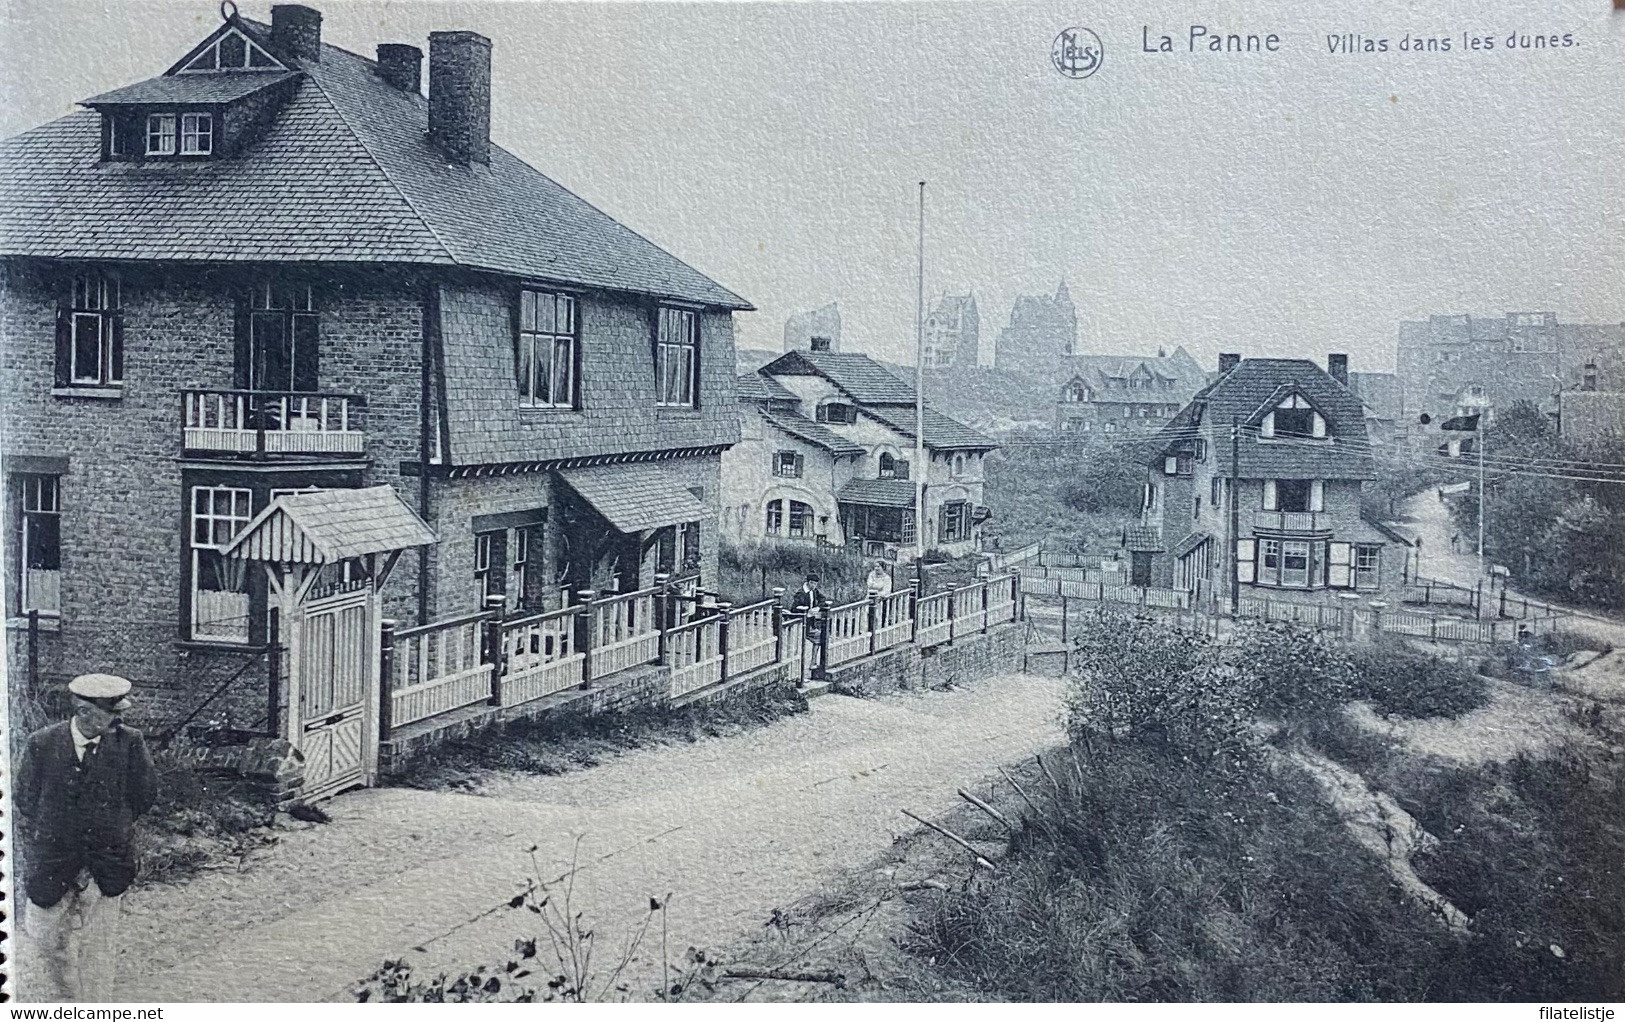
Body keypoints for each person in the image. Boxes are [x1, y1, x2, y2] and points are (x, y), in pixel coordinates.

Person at [16, 674, 157, 1002]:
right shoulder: (42, 744)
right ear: (82, 711)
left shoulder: (129, 742)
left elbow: (144, 794)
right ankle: (65, 999)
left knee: (99, 949)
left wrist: (112, 826)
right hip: (53, 861)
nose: (118, 718)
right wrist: (60, 831)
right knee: (42, 939)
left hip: (107, 861)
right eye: (111, 712)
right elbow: (26, 799)